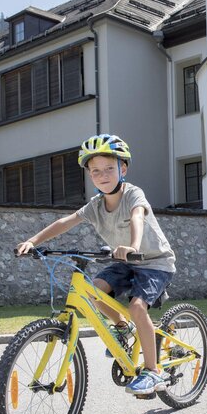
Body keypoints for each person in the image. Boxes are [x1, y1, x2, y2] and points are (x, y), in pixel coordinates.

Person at [15, 133, 177, 396]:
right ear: (90, 175)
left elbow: (137, 217)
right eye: (96, 171)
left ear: (123, 169)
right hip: (123, 261)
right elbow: (65, 222)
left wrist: (133, 246)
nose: (103, 175)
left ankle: (152, 371)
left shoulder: (133, 194)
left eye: (109, 168)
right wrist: (33, 241)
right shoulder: (95, 205)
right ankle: (123, 328)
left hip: (155, 263)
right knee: (93, 292)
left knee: (137, 307)